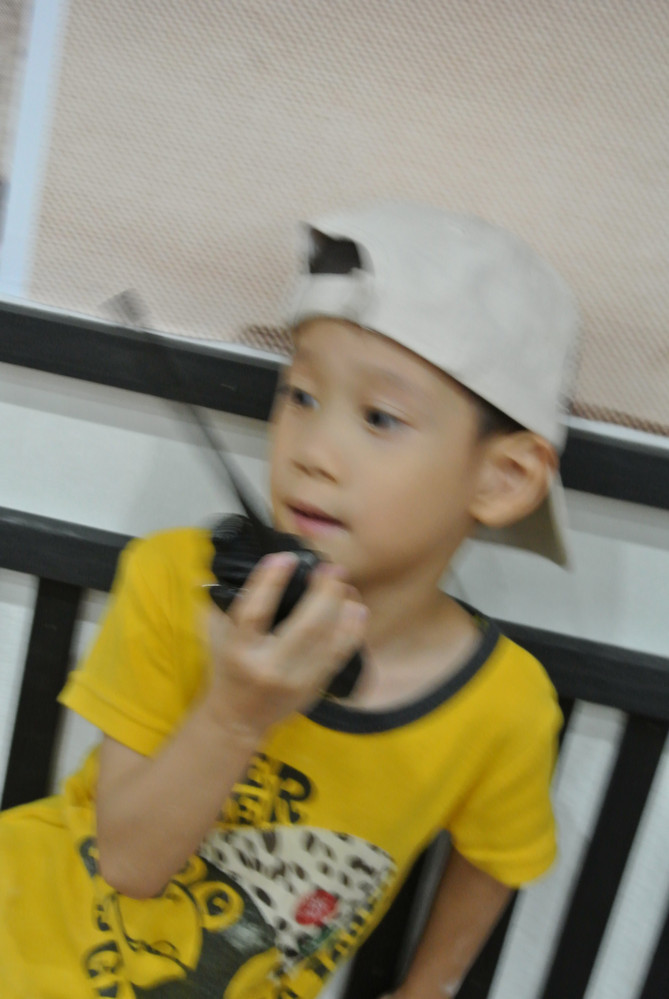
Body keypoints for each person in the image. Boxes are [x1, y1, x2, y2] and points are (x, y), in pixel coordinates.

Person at [0, 201, 579, 999]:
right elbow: (127, 863)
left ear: (502, 478)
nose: (311, 452)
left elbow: (498, 856)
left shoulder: (504, 705)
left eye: (379, 417)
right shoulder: (175, 579)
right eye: (300, 395)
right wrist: (236, 714)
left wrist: (427, 987)